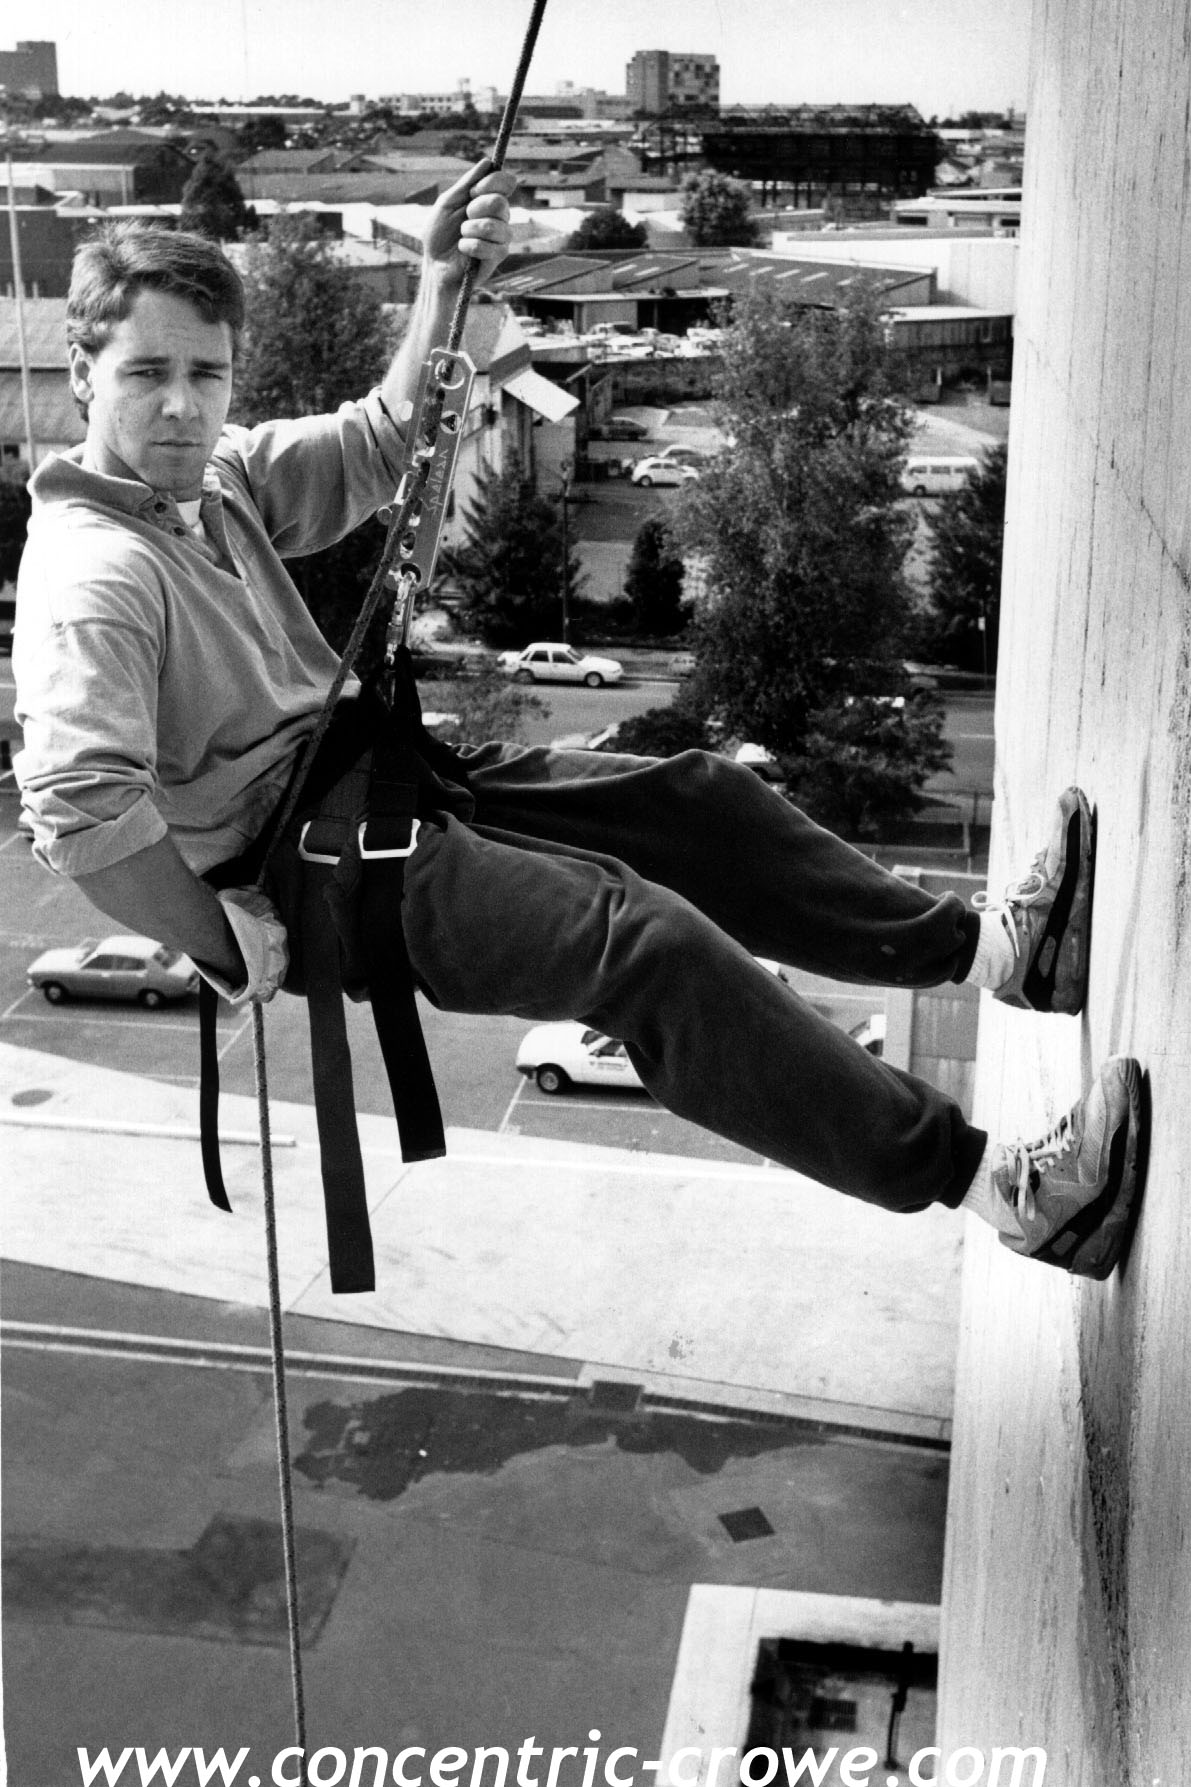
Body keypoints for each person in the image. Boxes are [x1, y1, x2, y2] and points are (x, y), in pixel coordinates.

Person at [13, 181, 1146, 1288]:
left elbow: (380, 441)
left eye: (205, 373)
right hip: (324, 875)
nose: (182, 405)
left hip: (376, 787)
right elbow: (80, 814)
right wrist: (223, 941)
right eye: (147, 374)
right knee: (647, 948)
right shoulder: (98, 574)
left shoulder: (213, 482)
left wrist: (440, 280)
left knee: (696, 803)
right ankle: (1017, 1193)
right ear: (81, 374)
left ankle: (1005, 955)